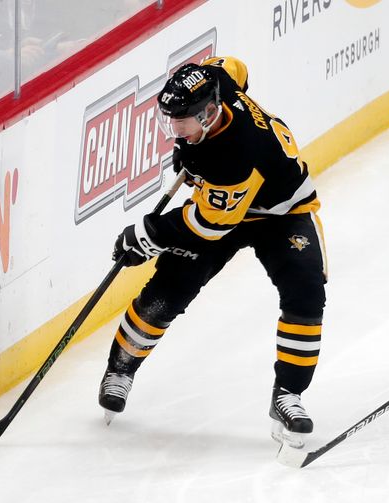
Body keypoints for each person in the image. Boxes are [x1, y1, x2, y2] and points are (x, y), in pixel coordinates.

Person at [98, 57, 328, 448]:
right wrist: (191, 150)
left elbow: (210, 224)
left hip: (280, 212)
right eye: (170, 119)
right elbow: (236, 67)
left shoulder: (237, 154)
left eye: (181, 121)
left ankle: (289, 394)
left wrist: (149, 233)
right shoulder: (217, 79)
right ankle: (119, 370)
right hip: (224, 201)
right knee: (168, 290)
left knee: (306, 293)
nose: (174, 128)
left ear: (208, 112)